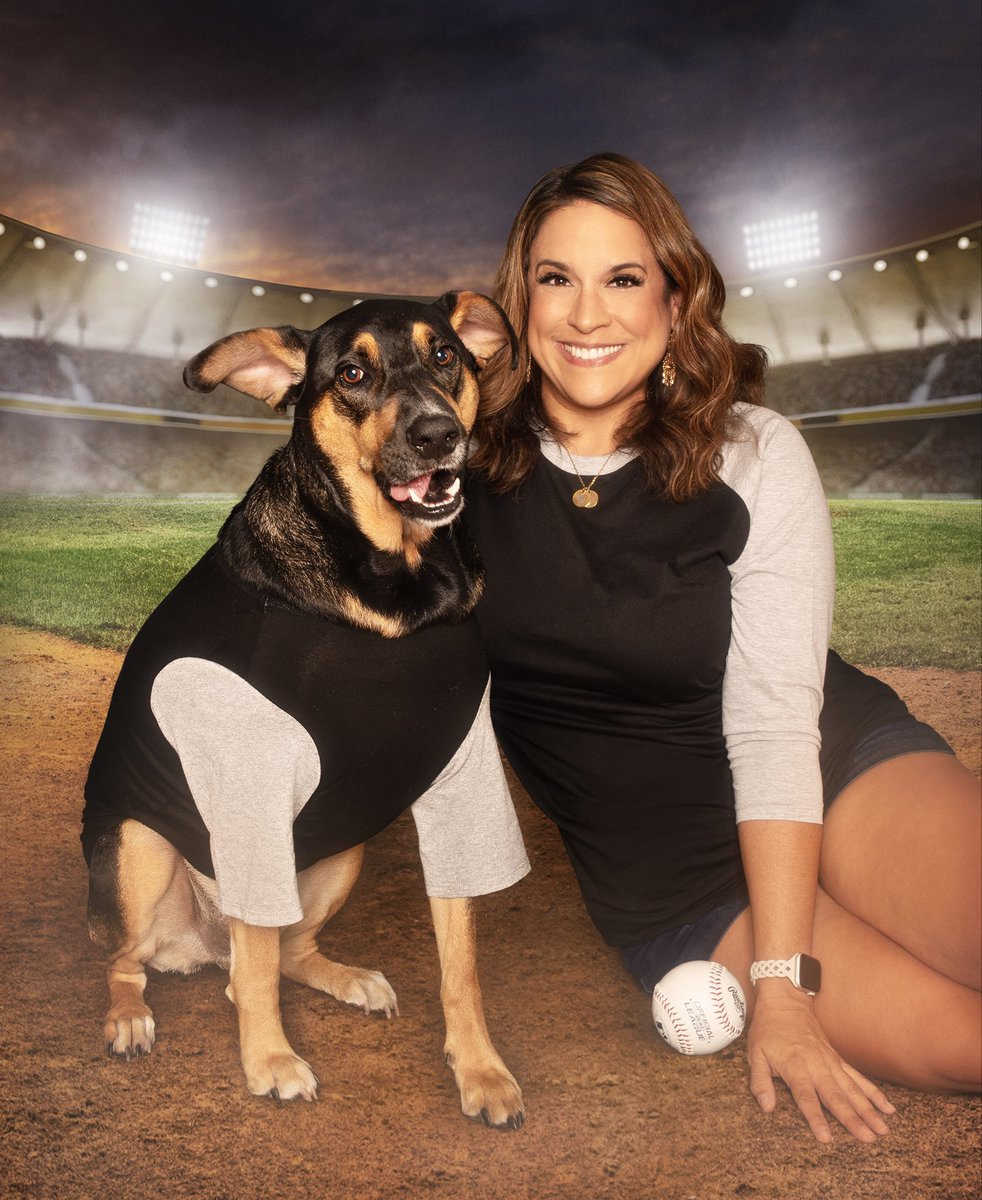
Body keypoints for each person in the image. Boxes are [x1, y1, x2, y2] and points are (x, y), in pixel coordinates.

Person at [463, 152, 981, 1144]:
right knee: (965, 1041)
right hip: (674, 878)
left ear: (672, 295)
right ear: (518, 300)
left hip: (832, 770)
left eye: (622, 278)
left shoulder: (749, 452)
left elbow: (776, 726)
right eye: (554, 279)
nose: (586, 315)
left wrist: (781, 992)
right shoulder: (460, 470)